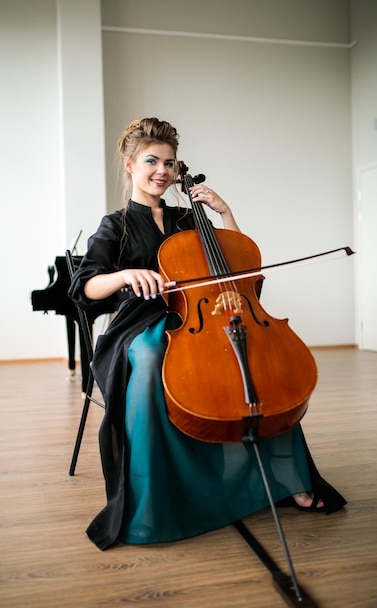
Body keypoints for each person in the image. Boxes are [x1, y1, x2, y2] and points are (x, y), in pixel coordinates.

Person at [69, 117, 346, 551]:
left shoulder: (187, 218)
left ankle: (285, 478)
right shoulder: (116, 225)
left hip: (205, 316)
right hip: (141, 322)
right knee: (148, 362)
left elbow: (239, 264)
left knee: (256, 361)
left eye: (170, 163)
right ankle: (156, 497)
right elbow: (85, 286)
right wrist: (125, 274)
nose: (162, 170)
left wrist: (225, 212)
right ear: (130, 165)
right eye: (152, 161)